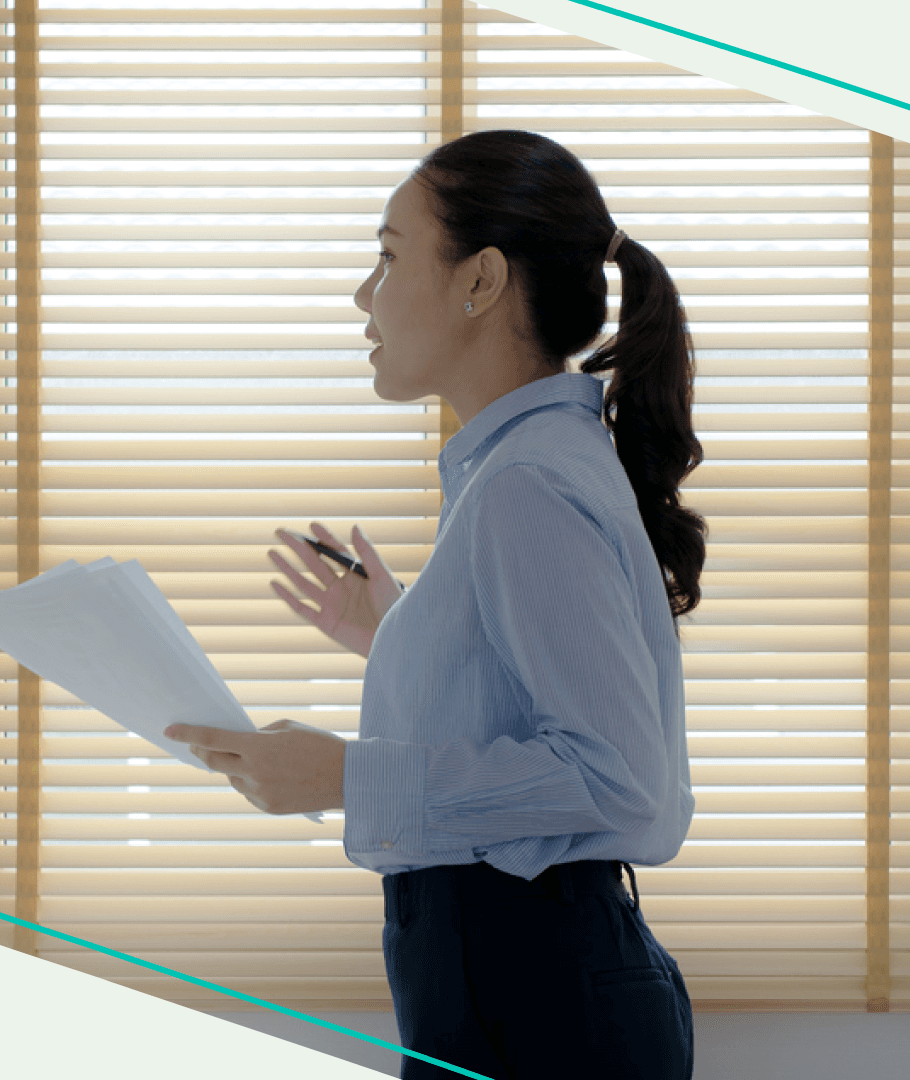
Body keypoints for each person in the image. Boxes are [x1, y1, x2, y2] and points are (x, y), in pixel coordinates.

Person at [166, 129, 702, 1080]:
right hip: (526, 991)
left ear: (481, 280)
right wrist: (399, 634)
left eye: (387, 256)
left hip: (539, 1001)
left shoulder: (526, 483)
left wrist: (345, 777)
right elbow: (534, 710)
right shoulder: (517, 470)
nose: (363, 295)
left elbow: (617, 777)